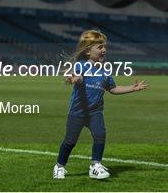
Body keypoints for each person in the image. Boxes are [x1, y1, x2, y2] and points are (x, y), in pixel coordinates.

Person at [53, 30, 148, 180]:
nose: (104, 50)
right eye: (99, 47)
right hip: (78, 112)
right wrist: (74, 79)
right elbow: (76, 77)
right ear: (88, 51)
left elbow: (113, 89)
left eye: (104, 47)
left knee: (100, 135)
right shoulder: (81, 66)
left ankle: (95, 165)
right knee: (70, 142)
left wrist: (132, 88)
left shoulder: (105, 72)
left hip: (95, 112)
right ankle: (59, 166)